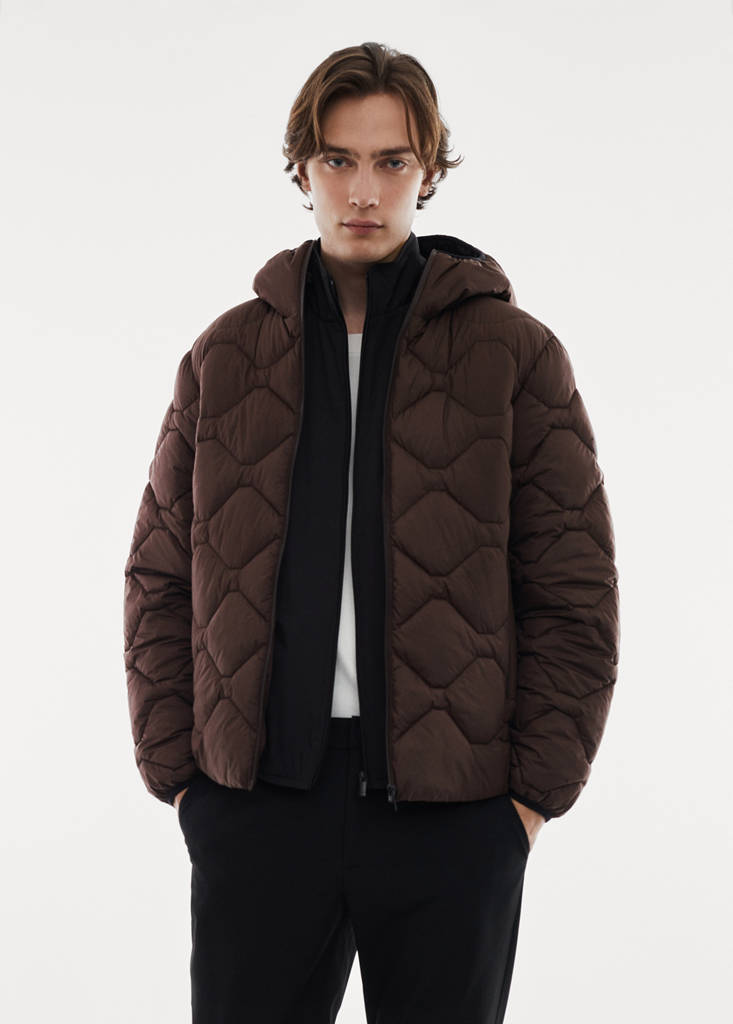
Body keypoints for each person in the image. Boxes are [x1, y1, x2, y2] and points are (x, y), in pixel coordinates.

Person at [123, 40, 620, 1024]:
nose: (362, 191)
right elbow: (160, 575)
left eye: (391, 161)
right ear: (301, 168)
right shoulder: (227, 356)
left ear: (426, 171)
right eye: (338, 159)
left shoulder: (513, 355)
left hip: (453, 817)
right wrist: (184, 781)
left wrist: (526, 803)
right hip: (258, 807)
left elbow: (573, 589)